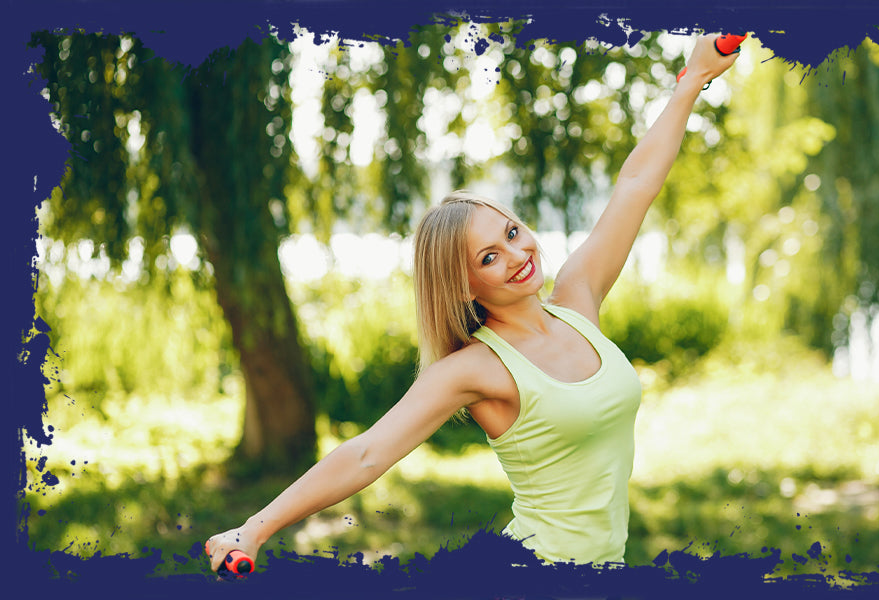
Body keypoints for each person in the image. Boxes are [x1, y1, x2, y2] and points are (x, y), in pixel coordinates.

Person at [206, 34, 739, 572]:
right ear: (462, 287)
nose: (516, 254)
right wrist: (253, 530)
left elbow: (635, 184)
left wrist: (692, 81)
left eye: (511, 232)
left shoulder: (578, 300)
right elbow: (366, 454)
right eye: (488, 257)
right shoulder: (475, 368)